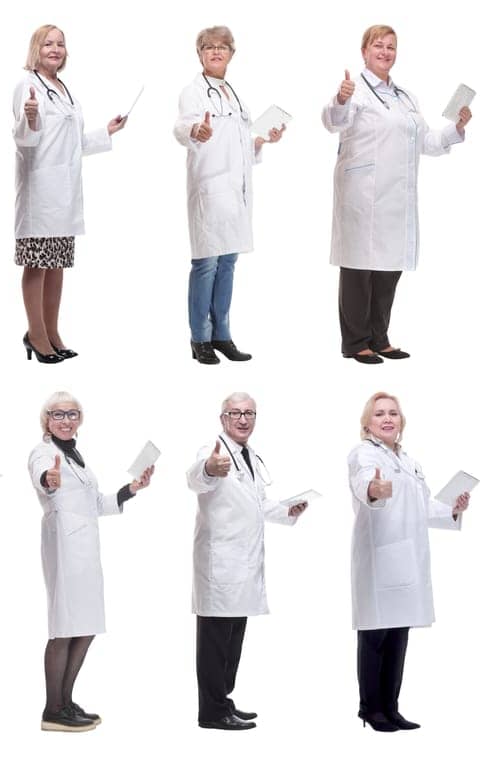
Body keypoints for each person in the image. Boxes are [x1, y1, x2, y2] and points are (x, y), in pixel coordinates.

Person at [323, 25, 472, 364]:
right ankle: (356, 341)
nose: (385, 52)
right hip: (362, 195)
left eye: (391, 47)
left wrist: (458, 127)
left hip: (395, 198)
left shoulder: (405, 97)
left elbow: (427, 143)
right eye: (378, 45)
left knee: (388, 269)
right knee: (359, 270)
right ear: (364, 50)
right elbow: (333, 121)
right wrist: (341, 99)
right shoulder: (355, 89)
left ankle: (379, 337)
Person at [27, 391, 153, 731]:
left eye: (72, 414)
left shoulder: (76, 456)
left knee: (86, 625)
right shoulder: (44, 453)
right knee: (65, 626)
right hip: (64, 546)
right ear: (47, 420)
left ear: (79, 420)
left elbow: (96, 502)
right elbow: (45, 477)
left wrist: (132, 489)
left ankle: (66, 701)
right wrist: (47, 480)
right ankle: (53, 708)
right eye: (58, 414)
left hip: (86, 549)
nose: (66, 420)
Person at [346, 391, 471, 731]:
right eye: (379, 414)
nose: (387, 418)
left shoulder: (409, 460)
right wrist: (373, 489)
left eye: (393, 413)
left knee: (399, 636)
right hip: (379, 558)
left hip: (407, 560)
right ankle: (370, 710)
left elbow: (424, 507)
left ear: (401, 421)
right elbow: (363, 485)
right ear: (367, 422)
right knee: (375, 636)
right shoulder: (362, 454)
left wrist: (453, 508)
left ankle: (391, 707)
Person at [184, 392, 307, 730]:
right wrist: (209, 467)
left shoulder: (247, 455)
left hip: (243, 564)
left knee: (232, 641)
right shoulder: (214, 451)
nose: (243, 419)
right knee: (214, 644)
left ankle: (223, 702)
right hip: (220, 564)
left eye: (249, 413)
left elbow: (259, 503)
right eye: (235, 413)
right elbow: (196, 478)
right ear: (222, 418)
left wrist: (287, 511)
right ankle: (211, 712)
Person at [13, 25, 126, 363]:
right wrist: (30, 119)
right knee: (37, 264)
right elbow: (24, 139)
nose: (55, 49)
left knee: (57, 265)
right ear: (35, 48)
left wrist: (106, 132)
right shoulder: (27, 86)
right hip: (41, 192)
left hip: (64, 194)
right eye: (47, 43)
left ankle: (52, 330)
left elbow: (72, 143)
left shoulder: (64, 89)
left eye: (60, 44)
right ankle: (35, 334)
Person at [173, 27, 284, 365]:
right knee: (206, 264)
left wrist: (262, 140)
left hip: (236, 192)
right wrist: (196, 129)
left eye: (222, 47)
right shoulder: (192, 92)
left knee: (229, 263)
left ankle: (222, 334)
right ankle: (199, 339)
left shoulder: (234, 95)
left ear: (232, 54)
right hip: (209, 188)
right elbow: (181, 127)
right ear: (200, 54)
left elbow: (238, 145)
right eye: (209, 47)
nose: (216, 52)